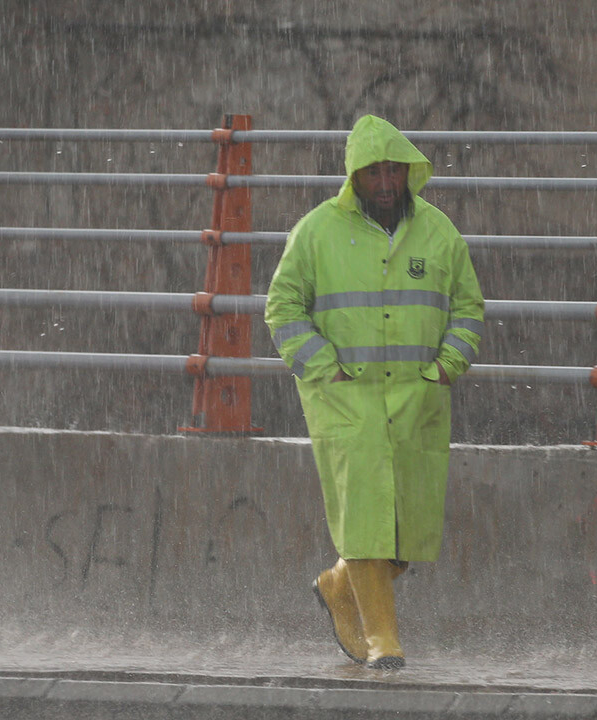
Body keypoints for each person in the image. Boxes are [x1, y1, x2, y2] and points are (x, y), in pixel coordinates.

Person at [264, 115, 485, 670]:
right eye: (373, 172)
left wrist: (447, 366)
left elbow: (467, 307)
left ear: (409, 172)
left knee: (408, 532)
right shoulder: (316, 232)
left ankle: (339, 584)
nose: (386, 183)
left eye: (393, 170)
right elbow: (282, 308)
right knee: (365, 520)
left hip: (418, 399)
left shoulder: (439, 232)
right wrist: (323, 366)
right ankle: (384, 640)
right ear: (353, 177)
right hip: (347, 400)